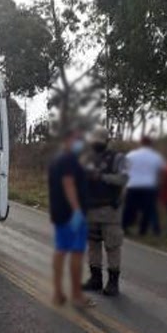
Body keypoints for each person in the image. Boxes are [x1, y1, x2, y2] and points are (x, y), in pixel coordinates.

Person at [48, 128, 94, 308]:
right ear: (67, 140)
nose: (79, 143)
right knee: (76, 252)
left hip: (59, 212)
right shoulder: (69, 160)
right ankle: (76, 295)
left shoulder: (57, 160)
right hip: (71, 214)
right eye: (77, 139)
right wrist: (77, 210)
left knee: (60, 250)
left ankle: (58, 292)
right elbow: (68, 184)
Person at [81, 127, 128, 297]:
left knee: (112, 246)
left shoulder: (117, 158)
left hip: (110, 211)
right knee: (93, 246)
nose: (96, 145)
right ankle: (96, 279)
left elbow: (123, 178)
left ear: (107, 141)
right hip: (91, 210)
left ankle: (113, 282)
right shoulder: (88, 158)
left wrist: (101, 177)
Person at [122, 136, 164, 236]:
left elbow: (124, 170)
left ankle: (124, 227)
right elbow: (161, 171)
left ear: (140, 143)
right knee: (147, 210)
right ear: (151, 144)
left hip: (133, 185)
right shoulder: (156, 156)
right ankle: (143, 231)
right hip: (149, 186)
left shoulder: (131, 155)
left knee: (130, 208)